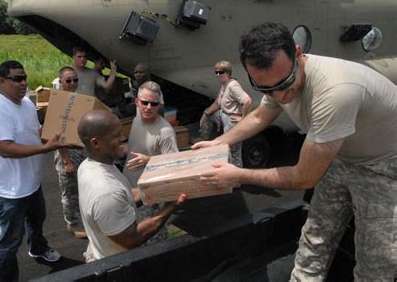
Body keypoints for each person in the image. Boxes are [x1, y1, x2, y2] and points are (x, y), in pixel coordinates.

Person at [192, 22, 397, 281]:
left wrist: (238, 175)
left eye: (285, 83)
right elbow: (259, 116)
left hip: (385, 164)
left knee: (377, 264)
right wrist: (220, 142)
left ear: (298, 54)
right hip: (343, 154)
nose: (280, 95)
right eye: (266, 88)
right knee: (315, 236)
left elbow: (304, 177)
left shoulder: (335, 91)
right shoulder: (277, 79)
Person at [0, 60, 67, 282]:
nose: (23, 83)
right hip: (8, 191)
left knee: (37, 220)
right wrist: (44, 148)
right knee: (10, 241)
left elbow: (37, 131)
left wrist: (58, 139)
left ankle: (37, 248)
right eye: (17, 79)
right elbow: (5, 149)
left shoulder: (26, 102)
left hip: (31, 183)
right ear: (1, 81)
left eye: (24, 77)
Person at [77, 109, 186, 262]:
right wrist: (172, 206)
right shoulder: (106, 192)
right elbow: (133, 238)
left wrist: (162, 189)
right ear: (96, 143)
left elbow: (126, 195)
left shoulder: (88, 166)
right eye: (116, 136)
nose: (123, 138)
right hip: (120, 267)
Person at [123, 81, 179, 243]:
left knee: (152, 238)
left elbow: (175, 164)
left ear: (158, 105)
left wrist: (149, 160)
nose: (148, 107)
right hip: (130, 188)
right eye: (144, 102)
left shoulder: (165, 131)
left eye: (153, 104)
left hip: (149, 195)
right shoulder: (136, 120)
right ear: (137, 102)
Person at [54, 66, 87, 238]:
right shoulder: (59, 103)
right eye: (68, 80)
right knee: (70, 191)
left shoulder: (77, 99)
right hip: (65, 152)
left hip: (80, 150)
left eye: (75, 79)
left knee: (82, 188)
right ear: (61, 82)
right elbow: (56, 135)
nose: (73, 83)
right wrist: (66, 161)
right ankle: (72, 224)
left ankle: (82, 220)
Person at [199, 61, 251, 167]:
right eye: (216, 72)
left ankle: (236, 179)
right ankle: (205, 140)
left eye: (221, 72)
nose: (218, 75)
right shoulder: (224, 85)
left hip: (232, 120)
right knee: (209, 117)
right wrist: (205, 113)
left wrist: (243, 118)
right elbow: (217, 103)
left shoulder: (232, 85)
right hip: (223, 115)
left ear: (228, 73)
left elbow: (247, 101)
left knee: (233, 150)